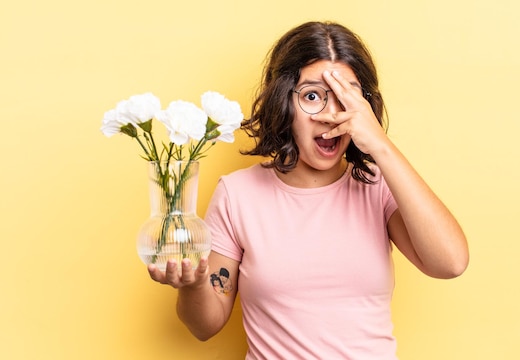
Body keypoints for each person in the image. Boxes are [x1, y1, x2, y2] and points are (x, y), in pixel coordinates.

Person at [148, 21, 469, 359]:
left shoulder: (379, 186)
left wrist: (381, 145)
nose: (331, 115)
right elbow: (204, 326)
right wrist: (194, 285)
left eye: (347, 97)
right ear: (283, 102)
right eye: (312, 96)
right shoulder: (238, 194)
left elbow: (451, 263)